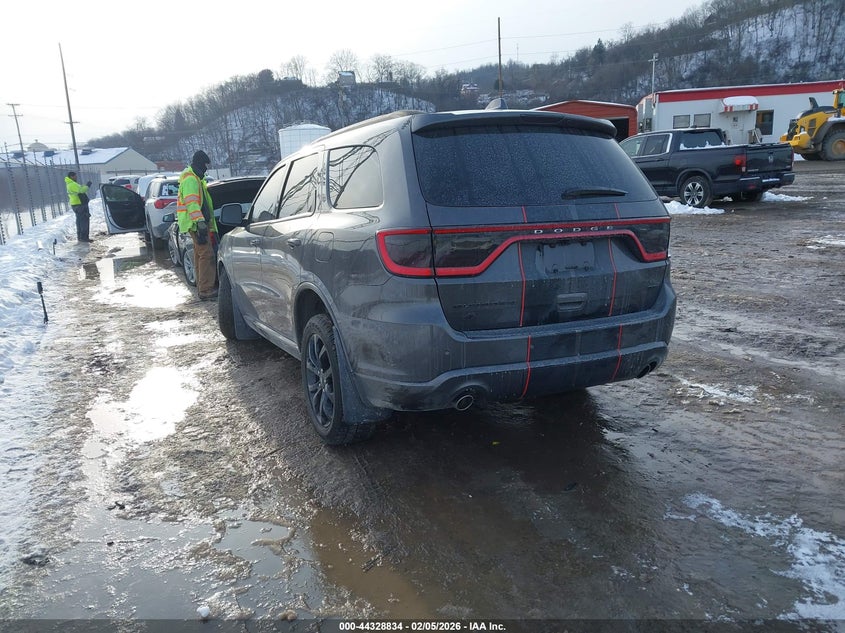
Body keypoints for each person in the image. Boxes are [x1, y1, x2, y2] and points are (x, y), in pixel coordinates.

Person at [176, 150, 218, 300]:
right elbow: (192, 203)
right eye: (205, 165)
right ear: (200, 163)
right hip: (196, 224)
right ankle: (206, 290)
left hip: (197, 223)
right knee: (206, 255)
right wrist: (199, 221)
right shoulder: (191, 179)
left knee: (201, 255)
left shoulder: (196, 178)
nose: (207, 168)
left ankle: (203, 288)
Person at [65, 171, 92, 243]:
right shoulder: (72, 184)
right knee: (84, 221)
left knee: (80, 221)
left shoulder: (70, 184)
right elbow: (82, 190)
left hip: (76, 204)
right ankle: (84, 237)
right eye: (75, 176)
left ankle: (80, 237)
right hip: (79, 204)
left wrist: (83, 186)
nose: (76, 177)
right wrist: (87, 185)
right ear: (71, 176)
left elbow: (79, 189)